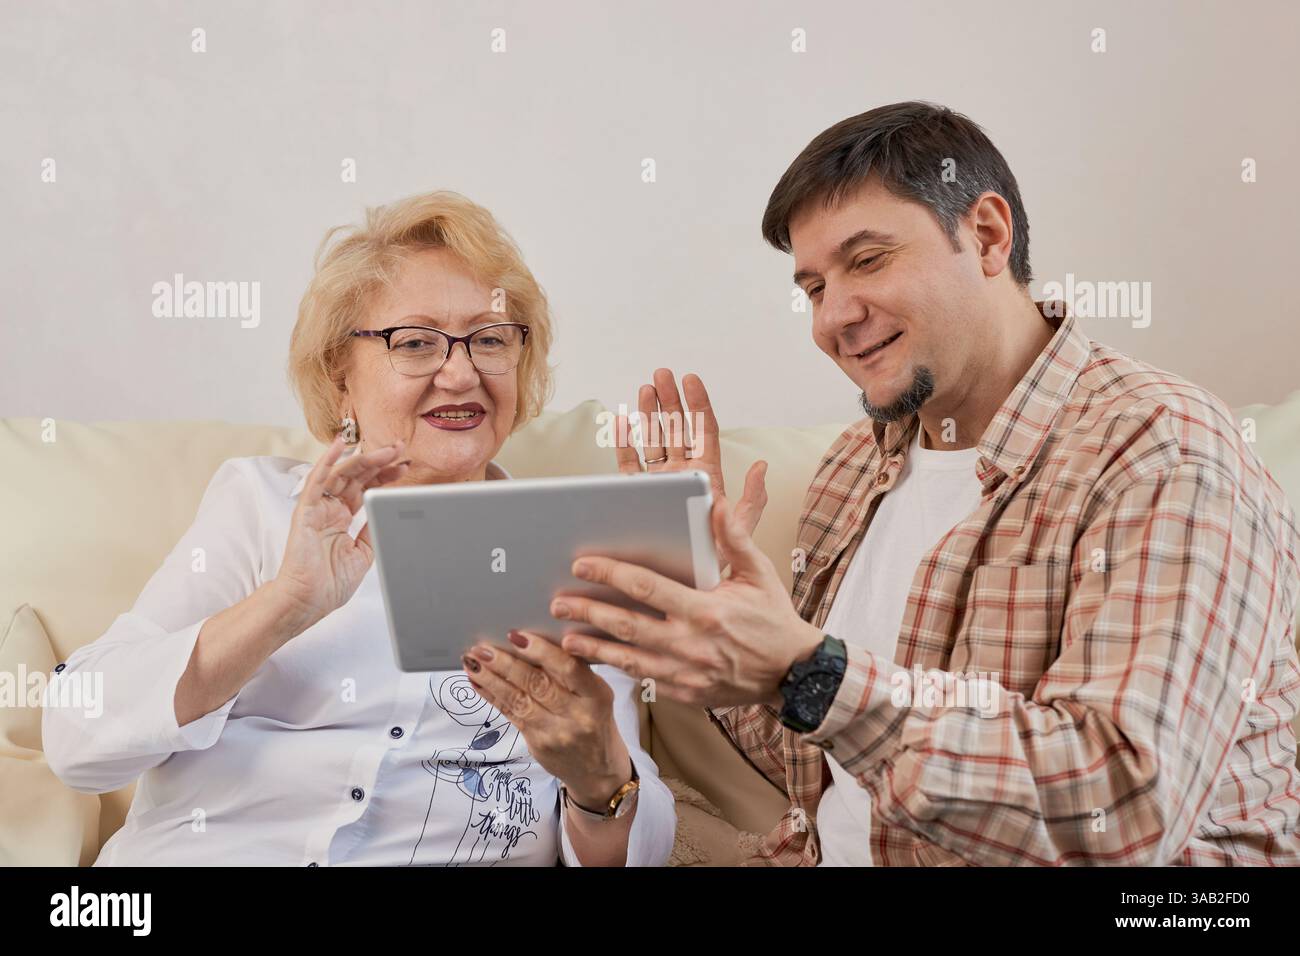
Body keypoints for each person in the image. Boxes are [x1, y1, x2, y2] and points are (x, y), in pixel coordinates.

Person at [556, 102, 1300, 866]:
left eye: (868, 259)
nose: (834, 318)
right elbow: (821, 753)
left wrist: (807, 673)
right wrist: (709, 590)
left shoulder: (1163, 453)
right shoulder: (856, 465)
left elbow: (1121, 806)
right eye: (813, 287)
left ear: (986, 235)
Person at [43, 191, 675, 867]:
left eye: (490, 339)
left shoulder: (575, 555)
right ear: (339, 377)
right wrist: (285, 604)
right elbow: (79, 739)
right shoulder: (258, 504)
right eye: (416, 343)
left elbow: (633, 851)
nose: (460, 372)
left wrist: (598, 773)